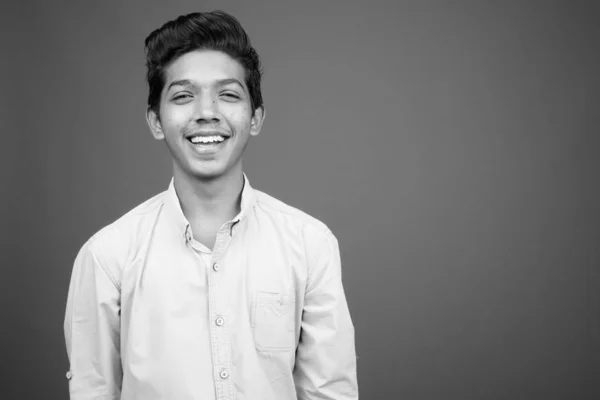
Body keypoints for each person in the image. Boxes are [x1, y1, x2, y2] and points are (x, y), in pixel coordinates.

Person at [64, 10, 358, 400]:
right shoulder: (107, 257)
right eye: (183, 96)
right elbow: (92, 392)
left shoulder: (310, 244)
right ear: (155, 120)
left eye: (229, 94)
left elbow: (329, 393)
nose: (206, 112)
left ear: (255, 117)